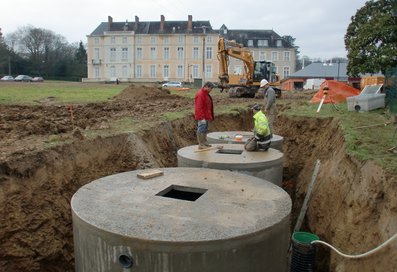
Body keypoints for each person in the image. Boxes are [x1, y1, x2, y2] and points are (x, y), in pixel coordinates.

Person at [194, 81, 215, 149]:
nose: (211, 90)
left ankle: (204, 142)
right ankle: (201, 144)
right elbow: (199, 107)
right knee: (201, 129)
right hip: (202, 116)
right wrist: (202, 117)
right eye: (210, 88)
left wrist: (209, 116)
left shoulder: (206, 94)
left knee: (205, 129)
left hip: (206, 115)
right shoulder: (201, 94)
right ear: (206, 87)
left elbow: (208, 106)